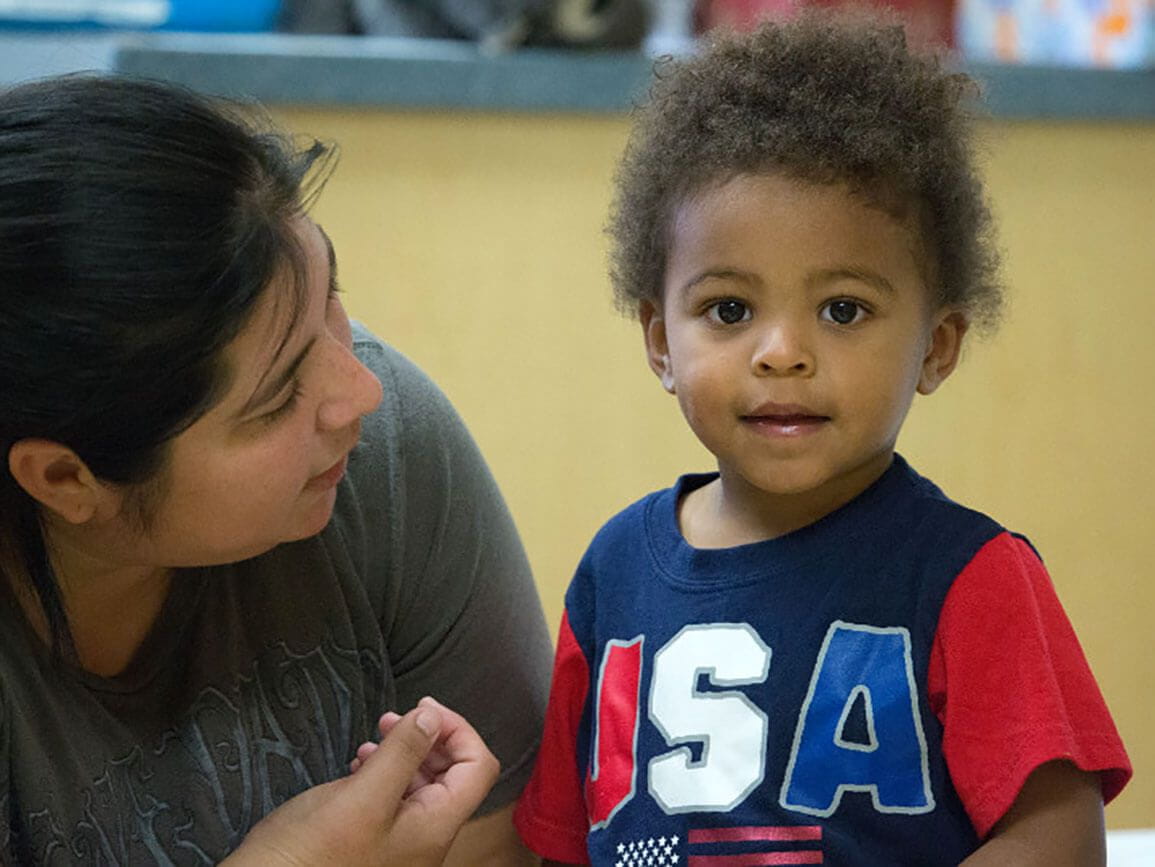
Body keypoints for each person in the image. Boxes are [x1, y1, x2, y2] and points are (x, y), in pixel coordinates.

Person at [512, 15, 1132, 866]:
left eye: (842, 309)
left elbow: (1059, 839)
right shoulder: (612, 571)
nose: (781, 351)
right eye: (729, 310)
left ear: (937, 345)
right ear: (659, 340)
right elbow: (559, 839)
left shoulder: (971, 577)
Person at [0, 74, 552, 865]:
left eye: (331, 297)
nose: (359, 391)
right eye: (277, 396)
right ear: (64, 479)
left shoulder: (389, 455)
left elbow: (495, 845)